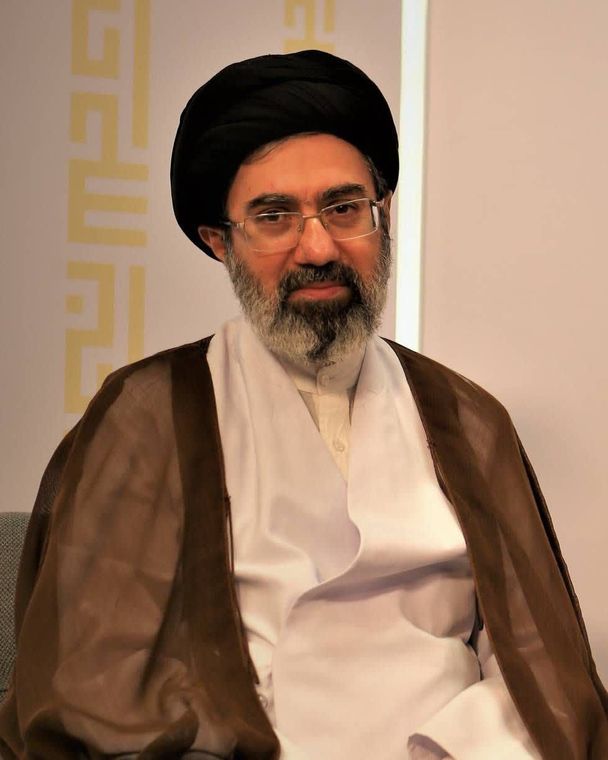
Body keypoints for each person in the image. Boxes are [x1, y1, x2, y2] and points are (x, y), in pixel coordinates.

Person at [0, 50, 606, 760]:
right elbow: (96, 684)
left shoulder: (467, 420)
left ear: (382, 217)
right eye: (274, 216)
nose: (317, 247)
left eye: (344, 209)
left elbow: (539, 671)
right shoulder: (150, 414)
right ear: (219, 241)